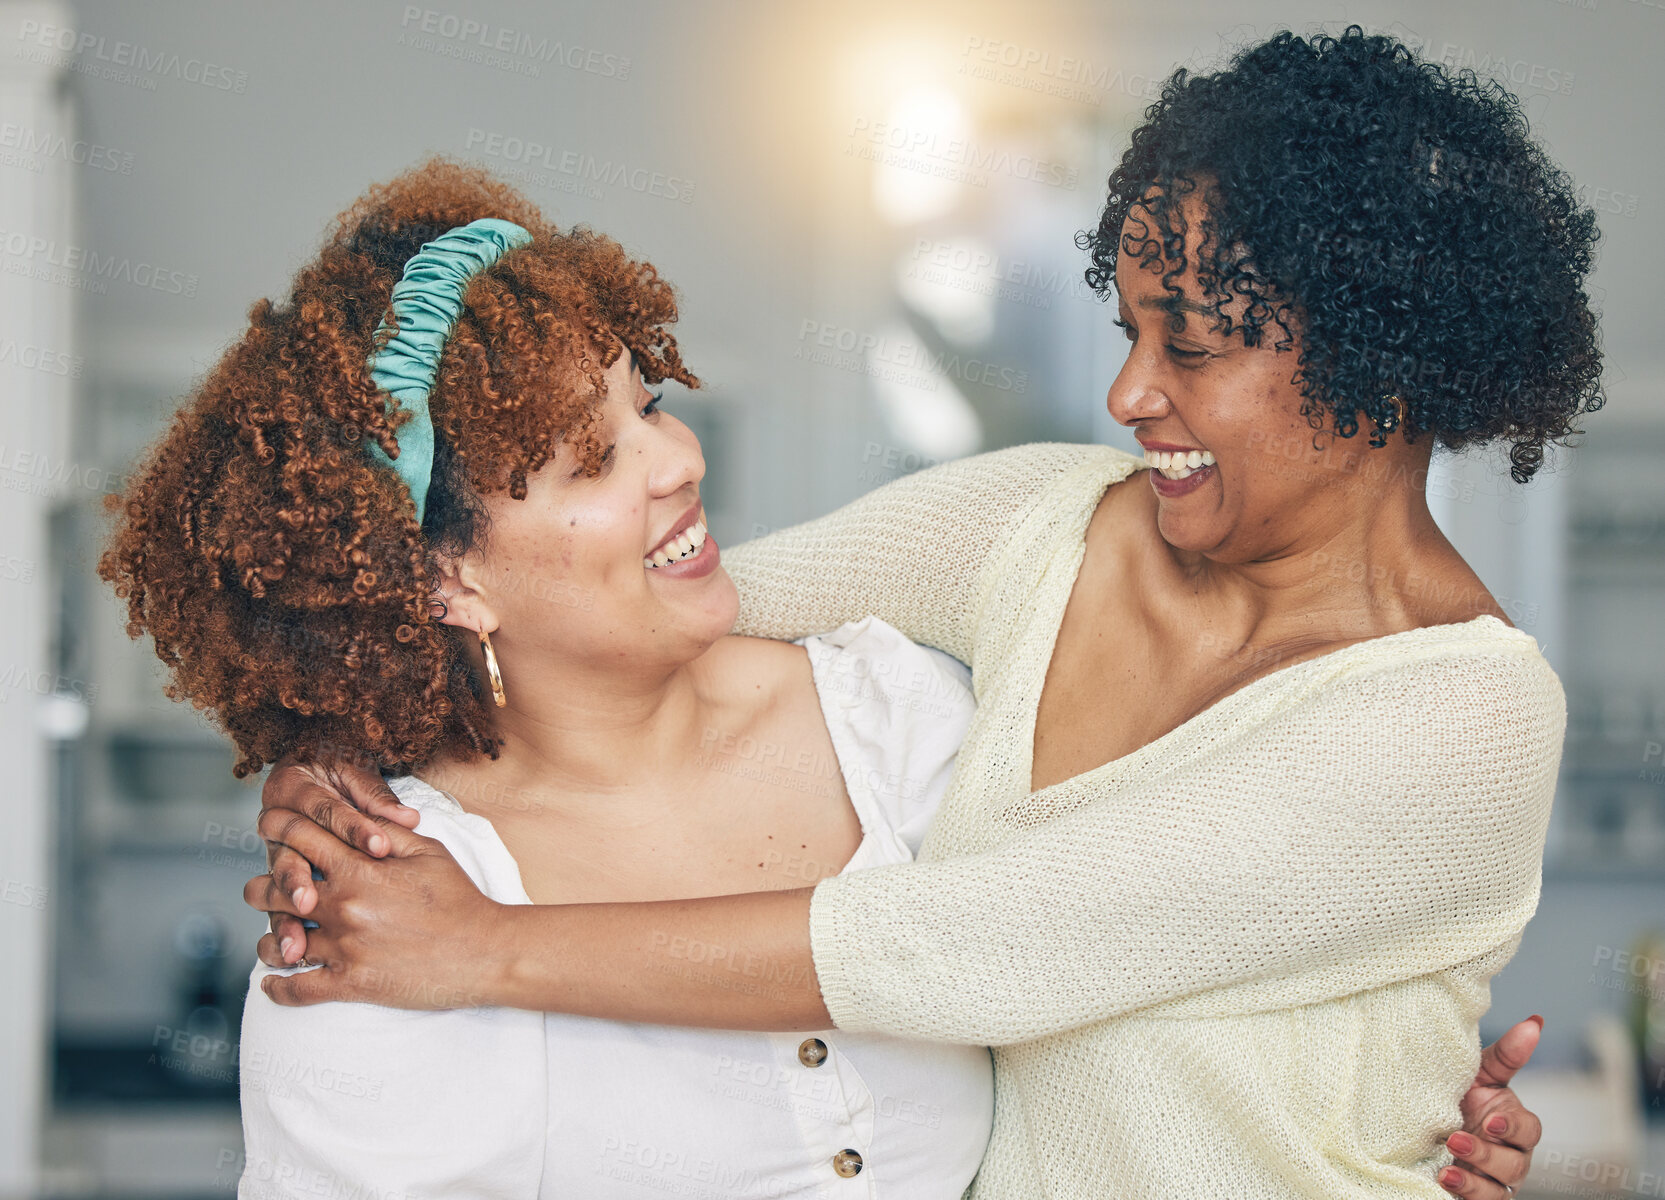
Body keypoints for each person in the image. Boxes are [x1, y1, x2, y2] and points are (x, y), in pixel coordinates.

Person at [245, 26, 1593, 1200]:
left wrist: (488, 948)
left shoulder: (1462, 717)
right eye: (1126, 331)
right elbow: (660, 607)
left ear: (1381, 373)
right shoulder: (1043, 525)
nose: (1127, 395)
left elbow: (976, 947)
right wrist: (356, 740)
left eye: (1187, 344)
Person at [101, 161, 999, 1198]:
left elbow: (1031, 947)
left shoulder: (895, 718)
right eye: (591, 460)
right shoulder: (379, 915)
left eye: (650, 404)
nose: (678, 461)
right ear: (447, 578)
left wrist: (493, 950)